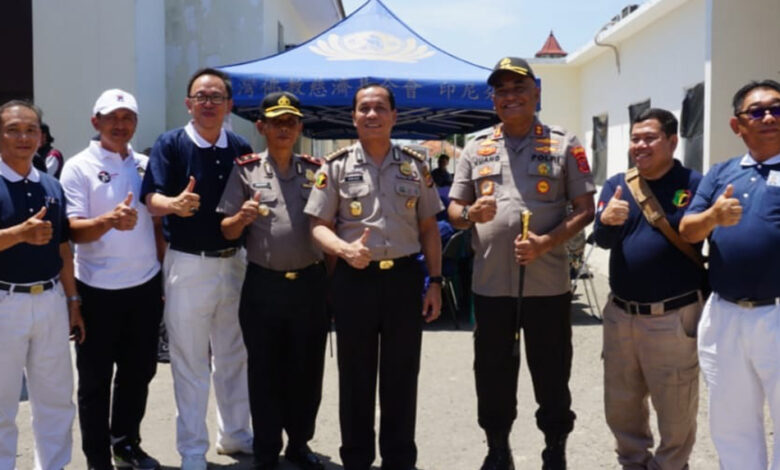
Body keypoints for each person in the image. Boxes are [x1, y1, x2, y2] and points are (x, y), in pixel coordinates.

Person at [447, 57, 595, 470]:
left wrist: (547, 242)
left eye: (518, 88)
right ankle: (498, 448)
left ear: (536, 94)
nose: (509, 97)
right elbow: (454, 209)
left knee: (551, 372)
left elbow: (586, 208)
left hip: (547, 285)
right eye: (501, 91)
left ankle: (555, 447)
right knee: (492, 373)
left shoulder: (565, 144)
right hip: (491, 284)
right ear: (493, 100)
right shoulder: (475, 147)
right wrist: (469, 214)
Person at [304, 83, 443, 470]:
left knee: (401, 376)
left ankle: (399, 460)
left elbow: (430, 228)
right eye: (363, 108)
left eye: (380, 108)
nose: (371, 114)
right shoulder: (335, 166)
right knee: (355, 378)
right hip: (355, 280)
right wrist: (345, 250)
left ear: (394, 116)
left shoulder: (414, 165)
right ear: (353, 117)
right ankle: (357, 460)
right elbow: (317, 225)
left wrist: (434, 281)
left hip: (403, 280)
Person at [140, 68, 253, 470]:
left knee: (234, 354)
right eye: (200, 96)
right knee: (189, 362)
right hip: (188, 263)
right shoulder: (170, 143)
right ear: (188, 103)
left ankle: (236, 436)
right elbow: (150, 197)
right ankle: (192, 450)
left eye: (216, 96)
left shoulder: (240, 145)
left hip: (234, 263)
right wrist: (171, 204)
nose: (208, 103)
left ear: (229, 105)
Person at [218, 92, 328, 470]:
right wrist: (242, 218)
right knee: (263, 371)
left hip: (310, 287)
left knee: (307, 370)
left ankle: (299, 443)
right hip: (263, 287)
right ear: (261, 126)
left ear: (299, 128)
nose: (284, 128)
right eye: (276, 121)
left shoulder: (318, 171)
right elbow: (228, 230)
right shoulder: (245, 170)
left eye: (291, 122)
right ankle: (266, 448)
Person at [593, 108, 706, 469]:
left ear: (672, 142)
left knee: (675, 409)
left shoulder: (695, 185)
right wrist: (605, 222)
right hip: (621, 316)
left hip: (672, 317)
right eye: (635, 138)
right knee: (622, 405)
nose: (639, 145)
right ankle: (632, 463)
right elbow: (604, 239)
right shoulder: (617, 184)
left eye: (649, 138)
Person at [60, 89, 164, 470]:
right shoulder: (78, 166)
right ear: (96, 122)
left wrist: (163, 275)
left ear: (135, 123)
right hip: (97, 290)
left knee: (139, 372)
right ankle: (97, 458)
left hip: (145, 286)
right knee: (94, 382)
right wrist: (109, 221)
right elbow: (72, 230)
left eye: (128, 118)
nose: (120, 125)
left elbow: (157, 225)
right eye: (112, 118)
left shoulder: (144, 164)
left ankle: (126, 443)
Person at [679, 79, 780, 469]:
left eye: (776, 109)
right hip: (725, 315)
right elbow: (689, 230)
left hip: (776, 313)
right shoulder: (721, 173)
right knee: (732, 421)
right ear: (737, 125)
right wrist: (713, 217)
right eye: (756, 111)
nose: (768, 116)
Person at [0, 100, 85, 470]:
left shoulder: (51, 185)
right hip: (5, 302)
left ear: (41, 136)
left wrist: (72, 300)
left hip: (50, 299)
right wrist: (19, 234)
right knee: (2, 403)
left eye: (31, 129)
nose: (23, 137)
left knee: (55, 399)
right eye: (13, 129)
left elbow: (63, 247)